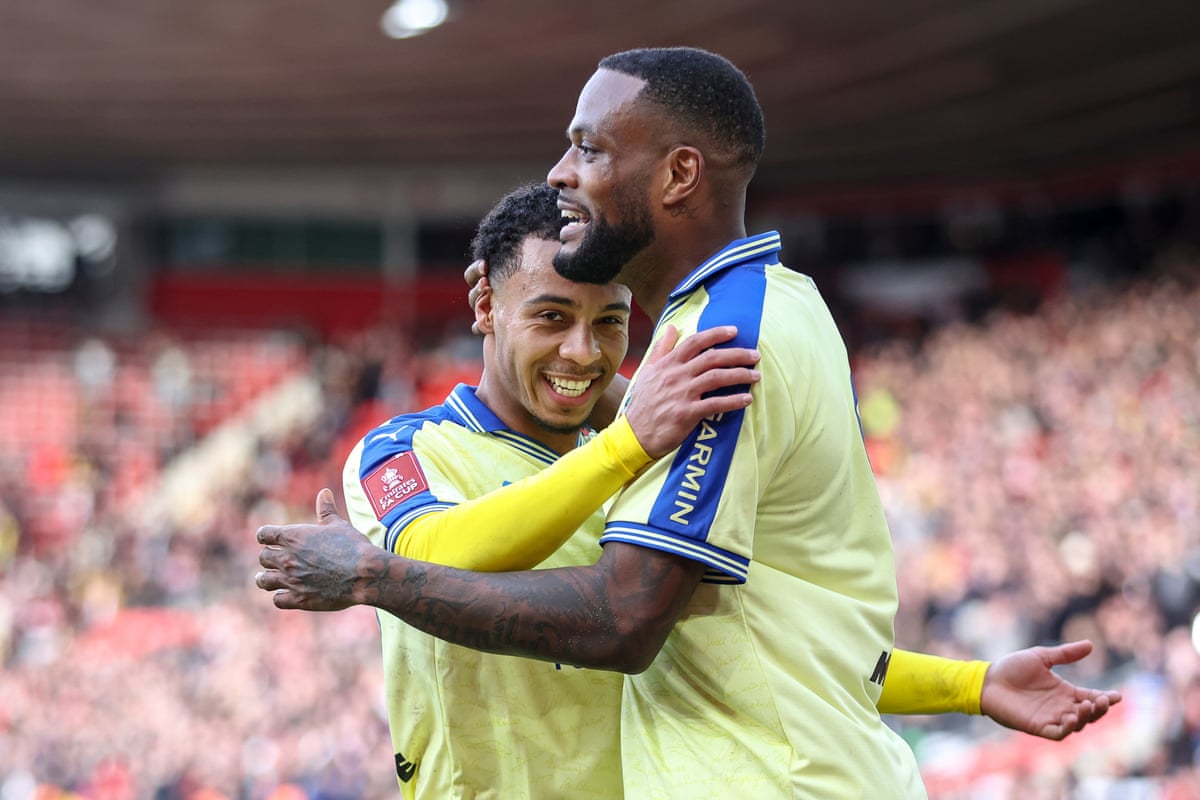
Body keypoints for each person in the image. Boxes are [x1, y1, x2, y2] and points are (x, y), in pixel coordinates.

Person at [257, 49, 1120, 797]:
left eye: (608, 322)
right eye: (551, 317)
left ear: (675, 177)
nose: (583, 351)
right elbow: (440, 557)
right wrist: (969, 685)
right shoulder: (405, 450)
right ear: (484, 302)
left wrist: (627, 433)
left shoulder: (688, 384)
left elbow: (651, 626)